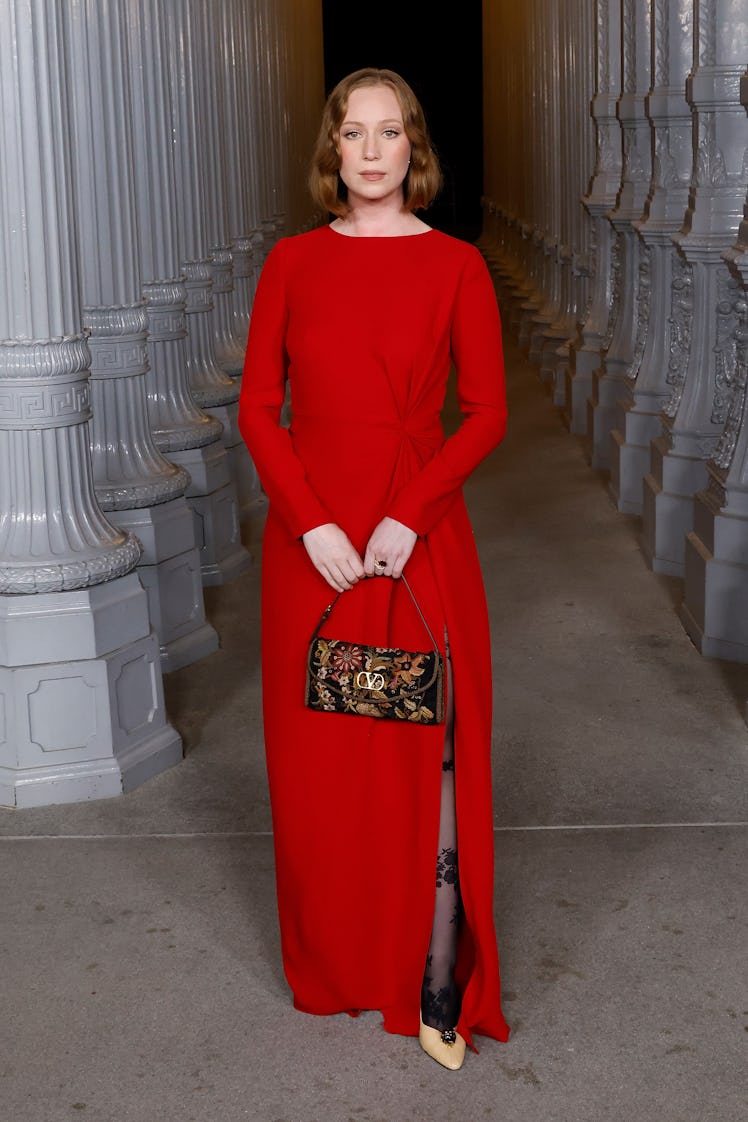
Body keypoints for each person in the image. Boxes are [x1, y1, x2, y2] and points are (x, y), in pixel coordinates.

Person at [238, 67, 509, 1071]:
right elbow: (257, 408)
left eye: (388, 132)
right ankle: (336, 963)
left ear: (413, 148)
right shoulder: (292, 264)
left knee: (422, 742)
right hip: (311, 545)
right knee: (324, 757)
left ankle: (431, 971)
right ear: (332, 150)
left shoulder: (456, 267)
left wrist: (408, 513)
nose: (369, 151)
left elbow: (487, 414)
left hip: (413, 534)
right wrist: (308, 522)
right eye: (352, 133)